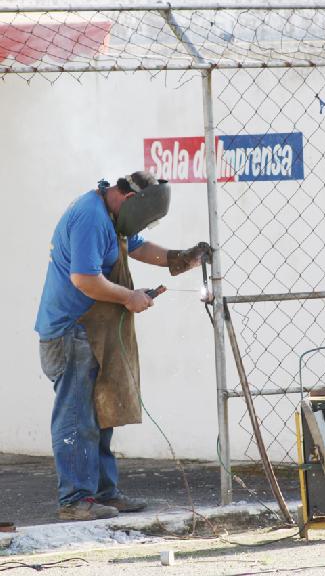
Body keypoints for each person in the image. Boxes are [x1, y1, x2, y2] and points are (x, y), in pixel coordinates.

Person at [35, 171, 211, 521]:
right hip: (71, 331)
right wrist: (129, 297)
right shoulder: (90, 216)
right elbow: (84, 279)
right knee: (77, 417)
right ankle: (74, 501)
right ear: (129, 200)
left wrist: (182, 259)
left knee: (100, 415)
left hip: (91, 330)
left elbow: (138, 246)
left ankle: (102, 493)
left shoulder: (113, 216)